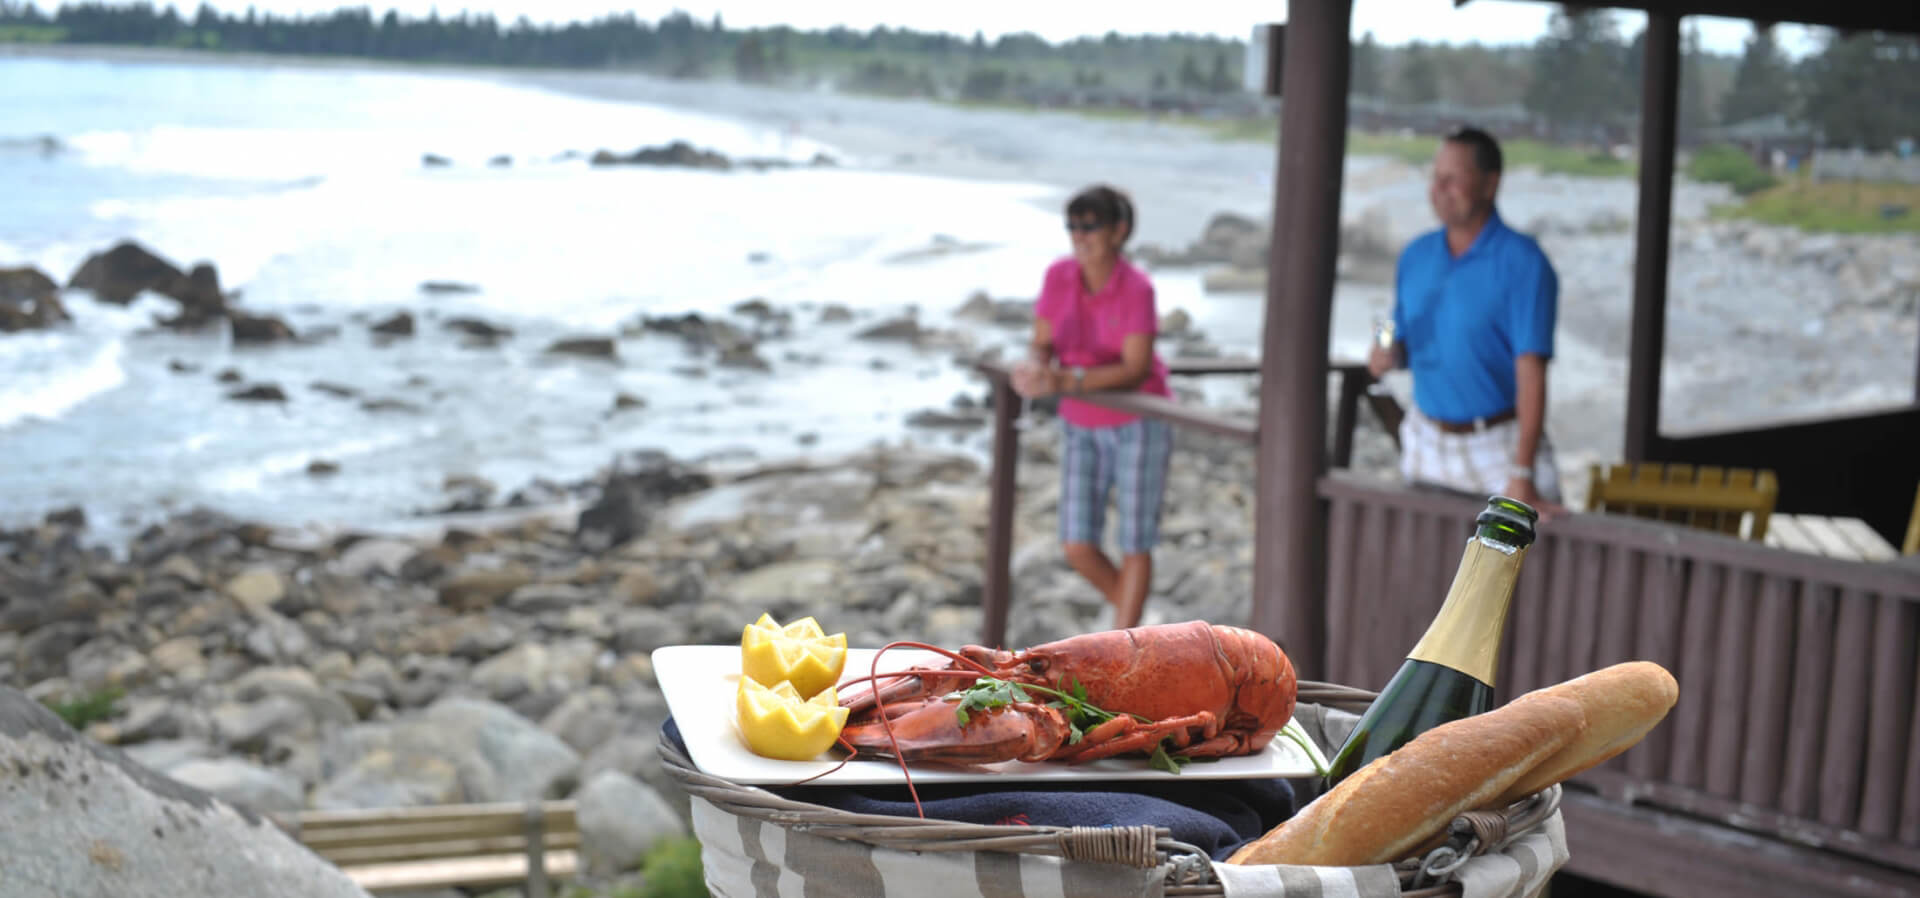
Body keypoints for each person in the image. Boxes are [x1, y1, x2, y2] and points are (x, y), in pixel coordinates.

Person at [1368, 127, 1565, 511]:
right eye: (1435, 177)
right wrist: (1382, 345)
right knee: (1427, 561)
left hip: (1499, 446)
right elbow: (1393, 326)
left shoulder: (1524, 263)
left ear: (1490, 184)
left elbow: (1532, 372)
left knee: (1522, 563)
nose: (1440, 188)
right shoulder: (1415, 255)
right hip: (1426, 438)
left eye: (1453, 178)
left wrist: (1522, 472)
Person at [1011, 184, 1172, 629]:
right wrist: (1037, 368)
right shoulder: (1058, 276)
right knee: (1077, 543)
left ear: (1118, 231)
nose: (1079, 235)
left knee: (1136, 539)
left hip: (1140, 419)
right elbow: (1042, 343)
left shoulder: (1137, 287)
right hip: (1079, 420)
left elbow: (1136, 368)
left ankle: (1124, 640)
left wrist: (1067, 379)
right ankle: (1135, 629)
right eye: (1073, 226)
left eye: (1090, 225)